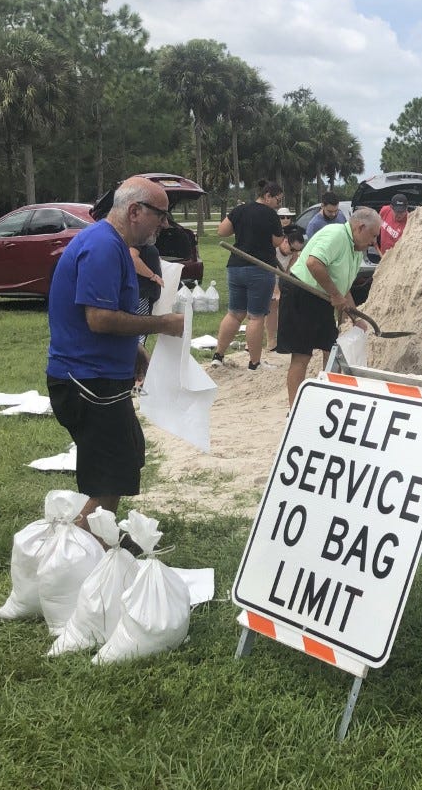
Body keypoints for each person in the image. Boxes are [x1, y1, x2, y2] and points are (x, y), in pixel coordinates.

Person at [45, 178, 185, 532]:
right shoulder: (103, 247)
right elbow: (99, 318)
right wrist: (162, 324)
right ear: (135, 210)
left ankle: (92, 547)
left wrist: (134, 346)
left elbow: (97, 313)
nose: (164, 224)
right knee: (110, 477)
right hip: (87, 381)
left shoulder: (115, 246)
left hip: (99, 377)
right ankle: (76, 551)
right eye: (161, 215)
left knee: (125, 460)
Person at [275, 207, 382, 406]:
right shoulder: (336, 235)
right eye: (373, 235)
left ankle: (326, 399)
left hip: (323, 298)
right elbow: (313, 263)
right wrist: (335, 294)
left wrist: (355, 318)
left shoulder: (357, 249)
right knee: (302, 354)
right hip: (302, 293)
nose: (374, 242)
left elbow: (344, 287)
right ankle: (294, 408)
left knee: (331, 349)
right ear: (360, 227)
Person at [213, 183, 284, 371]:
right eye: (278, 200)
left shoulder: (240, 210)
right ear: (268, 195)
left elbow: (222, 231)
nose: (278, 204)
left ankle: (218, 356)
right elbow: (278, 241)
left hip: (236, 267)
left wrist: (243, 229)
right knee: (256, 317)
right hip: (260, 268)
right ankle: (254, 363)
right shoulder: (270, 215)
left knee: (234, 313)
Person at [265, 207, 296, 348]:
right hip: (267, 275)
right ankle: (264, 340)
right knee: (261, 309)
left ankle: (275, 340)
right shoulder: (273, 239)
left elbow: (290, 268)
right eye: (282, 217)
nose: (285, 220)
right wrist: (276, 289)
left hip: (281, 276)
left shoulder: (295, 237)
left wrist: (285, 284)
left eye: (287, 217)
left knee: (277, 307)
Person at [129, 241, 164, 349]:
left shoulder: (144, 239)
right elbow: (133, 258)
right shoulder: (139, 239)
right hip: (141, 293)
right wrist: (152, 275)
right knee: (139, 332)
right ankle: (137, 361)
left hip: (144, 293)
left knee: (140, 332)